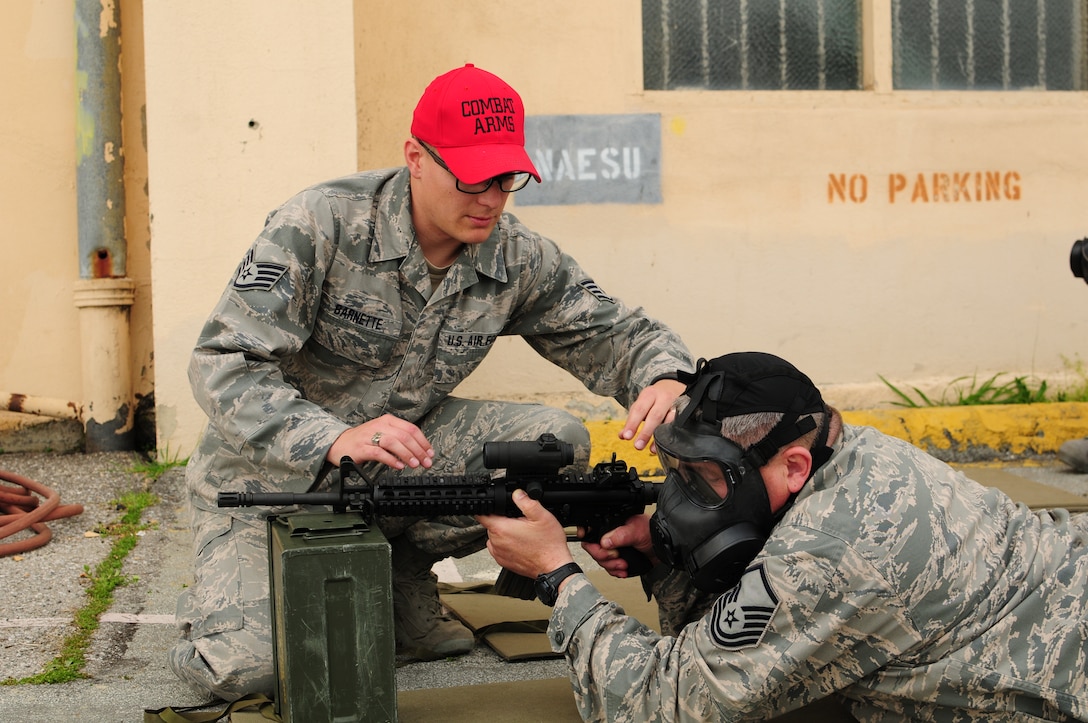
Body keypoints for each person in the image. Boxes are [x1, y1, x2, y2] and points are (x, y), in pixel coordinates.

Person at [168, 63, 693, 701]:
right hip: (270, 478)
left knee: (555, 443)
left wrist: (665, 375)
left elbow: (615, 332)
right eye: (473, 177)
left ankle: (401, 577)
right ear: (416, 157)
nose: (492, 199)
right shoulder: (321, 223)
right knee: (249, 673)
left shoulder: (515, 255)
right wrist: (331, 437)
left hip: (403, 462)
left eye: (508, 178)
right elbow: (223, 361)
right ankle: (230, 601)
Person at [479, 351, 1088, 722]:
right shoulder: (853, 454)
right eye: (678, 474)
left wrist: (557, 577)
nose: (683, 496)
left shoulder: (830, 550)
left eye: (708, 479)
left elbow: (662, 704)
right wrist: (666, 552)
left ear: (793, 465)